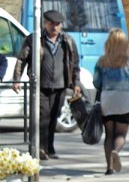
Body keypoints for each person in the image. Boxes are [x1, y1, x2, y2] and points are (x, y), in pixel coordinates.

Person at [11, 9, 81, 160]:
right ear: (45, 23)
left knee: (53, 117)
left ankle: (50, 148)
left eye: (57, 24)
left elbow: (74, 63)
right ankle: (41, 148)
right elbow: (22, 59)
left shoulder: (67, 41)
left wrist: (76, 83)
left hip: (60, 86)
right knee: (43, 117)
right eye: (51, 23)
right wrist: (16, 79)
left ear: (61, 25)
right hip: (40, 85)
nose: (54, 27)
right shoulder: (35, 39)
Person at [92, 29, 129, 174]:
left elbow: (96, 82)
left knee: (109, 134)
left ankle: (109, 167)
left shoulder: (102, 61)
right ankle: (116, 151)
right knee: (120, 134)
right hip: (125, 98)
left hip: (108, 97)